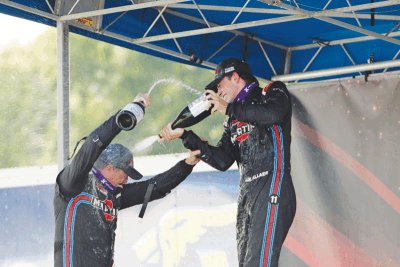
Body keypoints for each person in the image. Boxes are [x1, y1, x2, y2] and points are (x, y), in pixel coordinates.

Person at [159, 58, 296, 267]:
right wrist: (185, 136)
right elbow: (222, 160)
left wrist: (229, 109)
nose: (219, 91)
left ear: (235, 77)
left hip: (272, 186)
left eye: (220, 84)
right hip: (247, 195)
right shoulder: (232, 118)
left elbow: (274, 114)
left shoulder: (271, 91)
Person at [53, 93, 200, 267]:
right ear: (109, 168)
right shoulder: (74, 183)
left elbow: (154, 188)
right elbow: (91, 146)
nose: (126, 180)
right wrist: (124, 115)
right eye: (125, 174)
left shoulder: (115, 195)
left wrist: (187, 164)